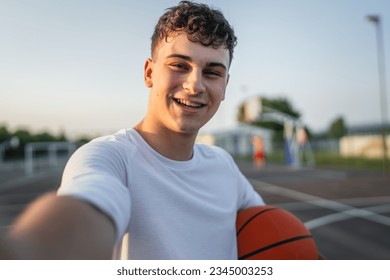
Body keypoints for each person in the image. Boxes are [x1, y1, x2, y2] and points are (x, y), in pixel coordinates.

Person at [0, 1, 264, 260]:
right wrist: (27, 253)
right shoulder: (110, 157)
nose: (195, 85)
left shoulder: (223, 166)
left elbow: (271, 228)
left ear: (226, 85)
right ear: (149, 73)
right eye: (179, 66)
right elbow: (87, 206)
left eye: (212, 72)